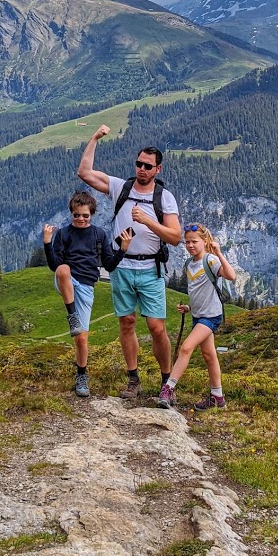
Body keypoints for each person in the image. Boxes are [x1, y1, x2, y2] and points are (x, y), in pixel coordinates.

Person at [78, 125, 181, 399]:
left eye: (148, 166)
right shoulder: (120, 187)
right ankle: (133, 379)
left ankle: (166, 382)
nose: (141, 169)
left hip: (150, 268)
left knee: (157, 327)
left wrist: (148, 220)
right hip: (121, 266)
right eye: (138, 164)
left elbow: (175, 237)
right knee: (126, 322)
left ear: (158, 169)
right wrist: (94, 138)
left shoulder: (163, 198)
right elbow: (84, 173)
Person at [43, 190, 132, 397]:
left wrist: (122, 249)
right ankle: (72, 316)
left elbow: (109, 265)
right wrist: (47, 242)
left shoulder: (99, 234)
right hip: (66, 280)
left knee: (81, 339)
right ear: (71, 213)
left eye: (85, 215)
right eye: (76, 215)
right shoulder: (63, 234)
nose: (81, 219)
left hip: (86, 286)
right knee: (63, 269)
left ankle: (81, 375)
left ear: (91, 214)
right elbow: (54, 265)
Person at [157, 222, 236, 411]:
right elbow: (198, 293)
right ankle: (217, 397)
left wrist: (219, 253)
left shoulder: (211, 261)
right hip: (198, 315)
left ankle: (168, 389)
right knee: (209, 355)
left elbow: (231, 275)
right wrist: (189, 307)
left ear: (205, 241)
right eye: (187, 242)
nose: (190, 245)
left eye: (194, 241)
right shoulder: (189, 264)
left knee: (186, 347)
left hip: (211, 316)